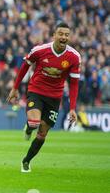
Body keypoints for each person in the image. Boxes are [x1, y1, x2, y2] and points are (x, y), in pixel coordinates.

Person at [7, 22, 80, 173]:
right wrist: (15, 88)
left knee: (42, 134)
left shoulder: (74, 57)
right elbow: (25, 66)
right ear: (54, 35)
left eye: (67, 34)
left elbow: (74, 83)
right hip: (36, 91)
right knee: (34, 123)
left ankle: (26, 161)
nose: (64, 37)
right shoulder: (40, 50)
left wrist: (72, 108)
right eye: (61, 34)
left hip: (54, 97)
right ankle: (28, 127)